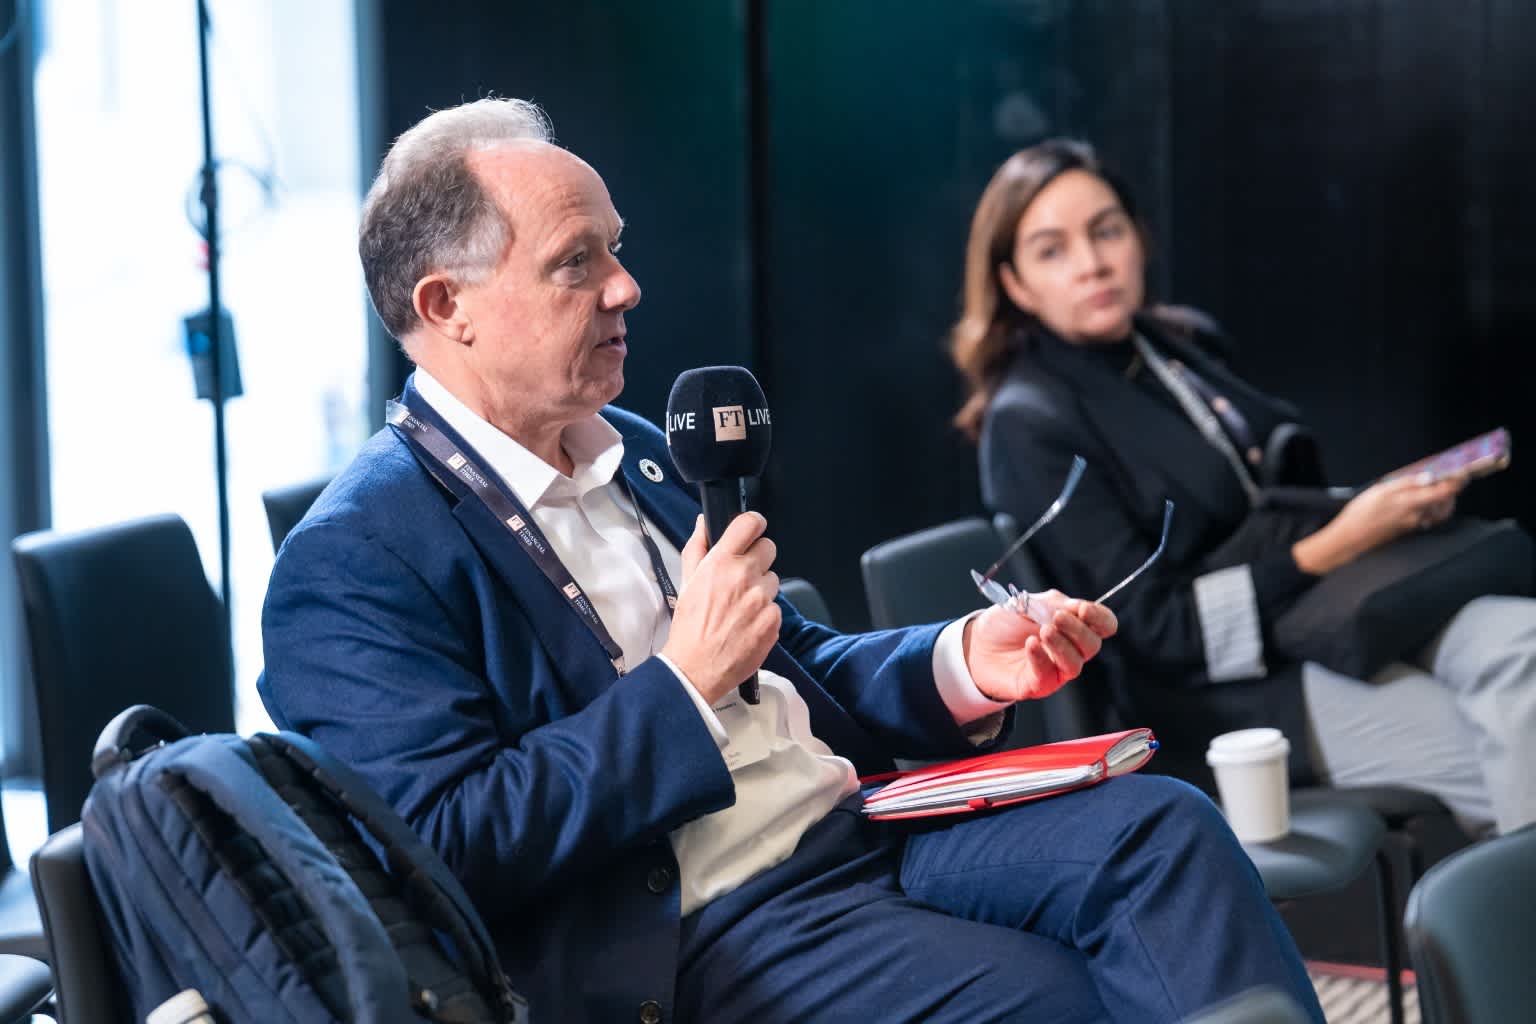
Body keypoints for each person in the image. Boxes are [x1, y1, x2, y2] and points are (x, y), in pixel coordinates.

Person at [260, 99, 1323, 1023]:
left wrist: (962, 662)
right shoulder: (355, 559)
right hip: (703, 923)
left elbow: (787, 662)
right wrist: (685, 681)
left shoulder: (635, 449)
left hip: (858, 828)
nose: (627, 287)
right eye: (577, 262)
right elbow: (444, 849)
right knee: (1069, 998)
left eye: (616, 249)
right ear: (446, 307)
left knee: (1167, 832)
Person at [953, 138, 1536, 835]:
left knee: (1522, 642)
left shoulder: (1177, 344)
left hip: (1320, 616)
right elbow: (1157, 630)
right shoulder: (1029, 422)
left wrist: (1378, 513)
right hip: (1217, 695)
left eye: (1106, 231)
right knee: (1507, 753)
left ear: (1137, 237)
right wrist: (1342, 540)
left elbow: (1267, 504)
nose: (1092, 263)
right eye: (1052, 250)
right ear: (1015, 284)